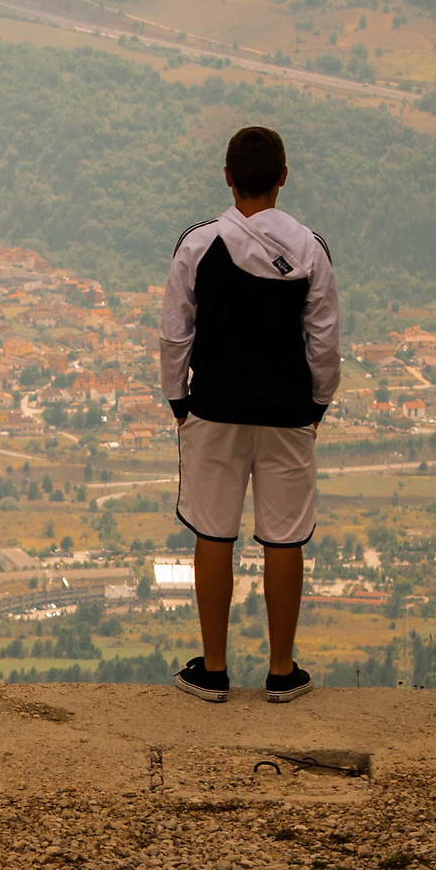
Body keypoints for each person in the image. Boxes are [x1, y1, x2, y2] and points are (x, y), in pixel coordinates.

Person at [159, 125, 338, 704]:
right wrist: (317, 402)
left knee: (214, 532)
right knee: (284, 539)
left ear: (228, 176)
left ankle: (213, 671)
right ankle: (282, 672)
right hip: (288, 413)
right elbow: (324, 342)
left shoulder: (197, 245)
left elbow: (174, 334)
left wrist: (178, 400)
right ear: (283, 177)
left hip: (214, 410)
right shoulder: (311, 249)